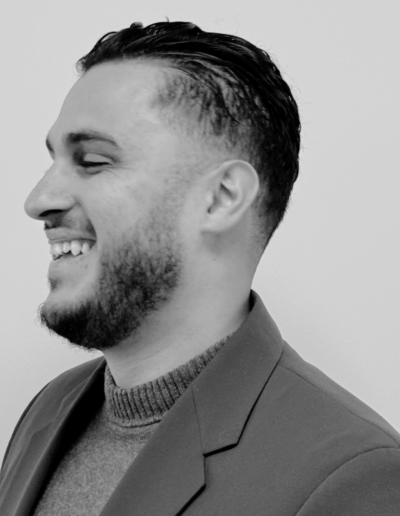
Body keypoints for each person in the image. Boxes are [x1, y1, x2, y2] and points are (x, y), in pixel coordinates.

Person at [0, 20, 399, 516]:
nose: (38, 200)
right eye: (53, 161)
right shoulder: (49, 409)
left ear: (221, 198)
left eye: (94, 161)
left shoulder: (351, 474)